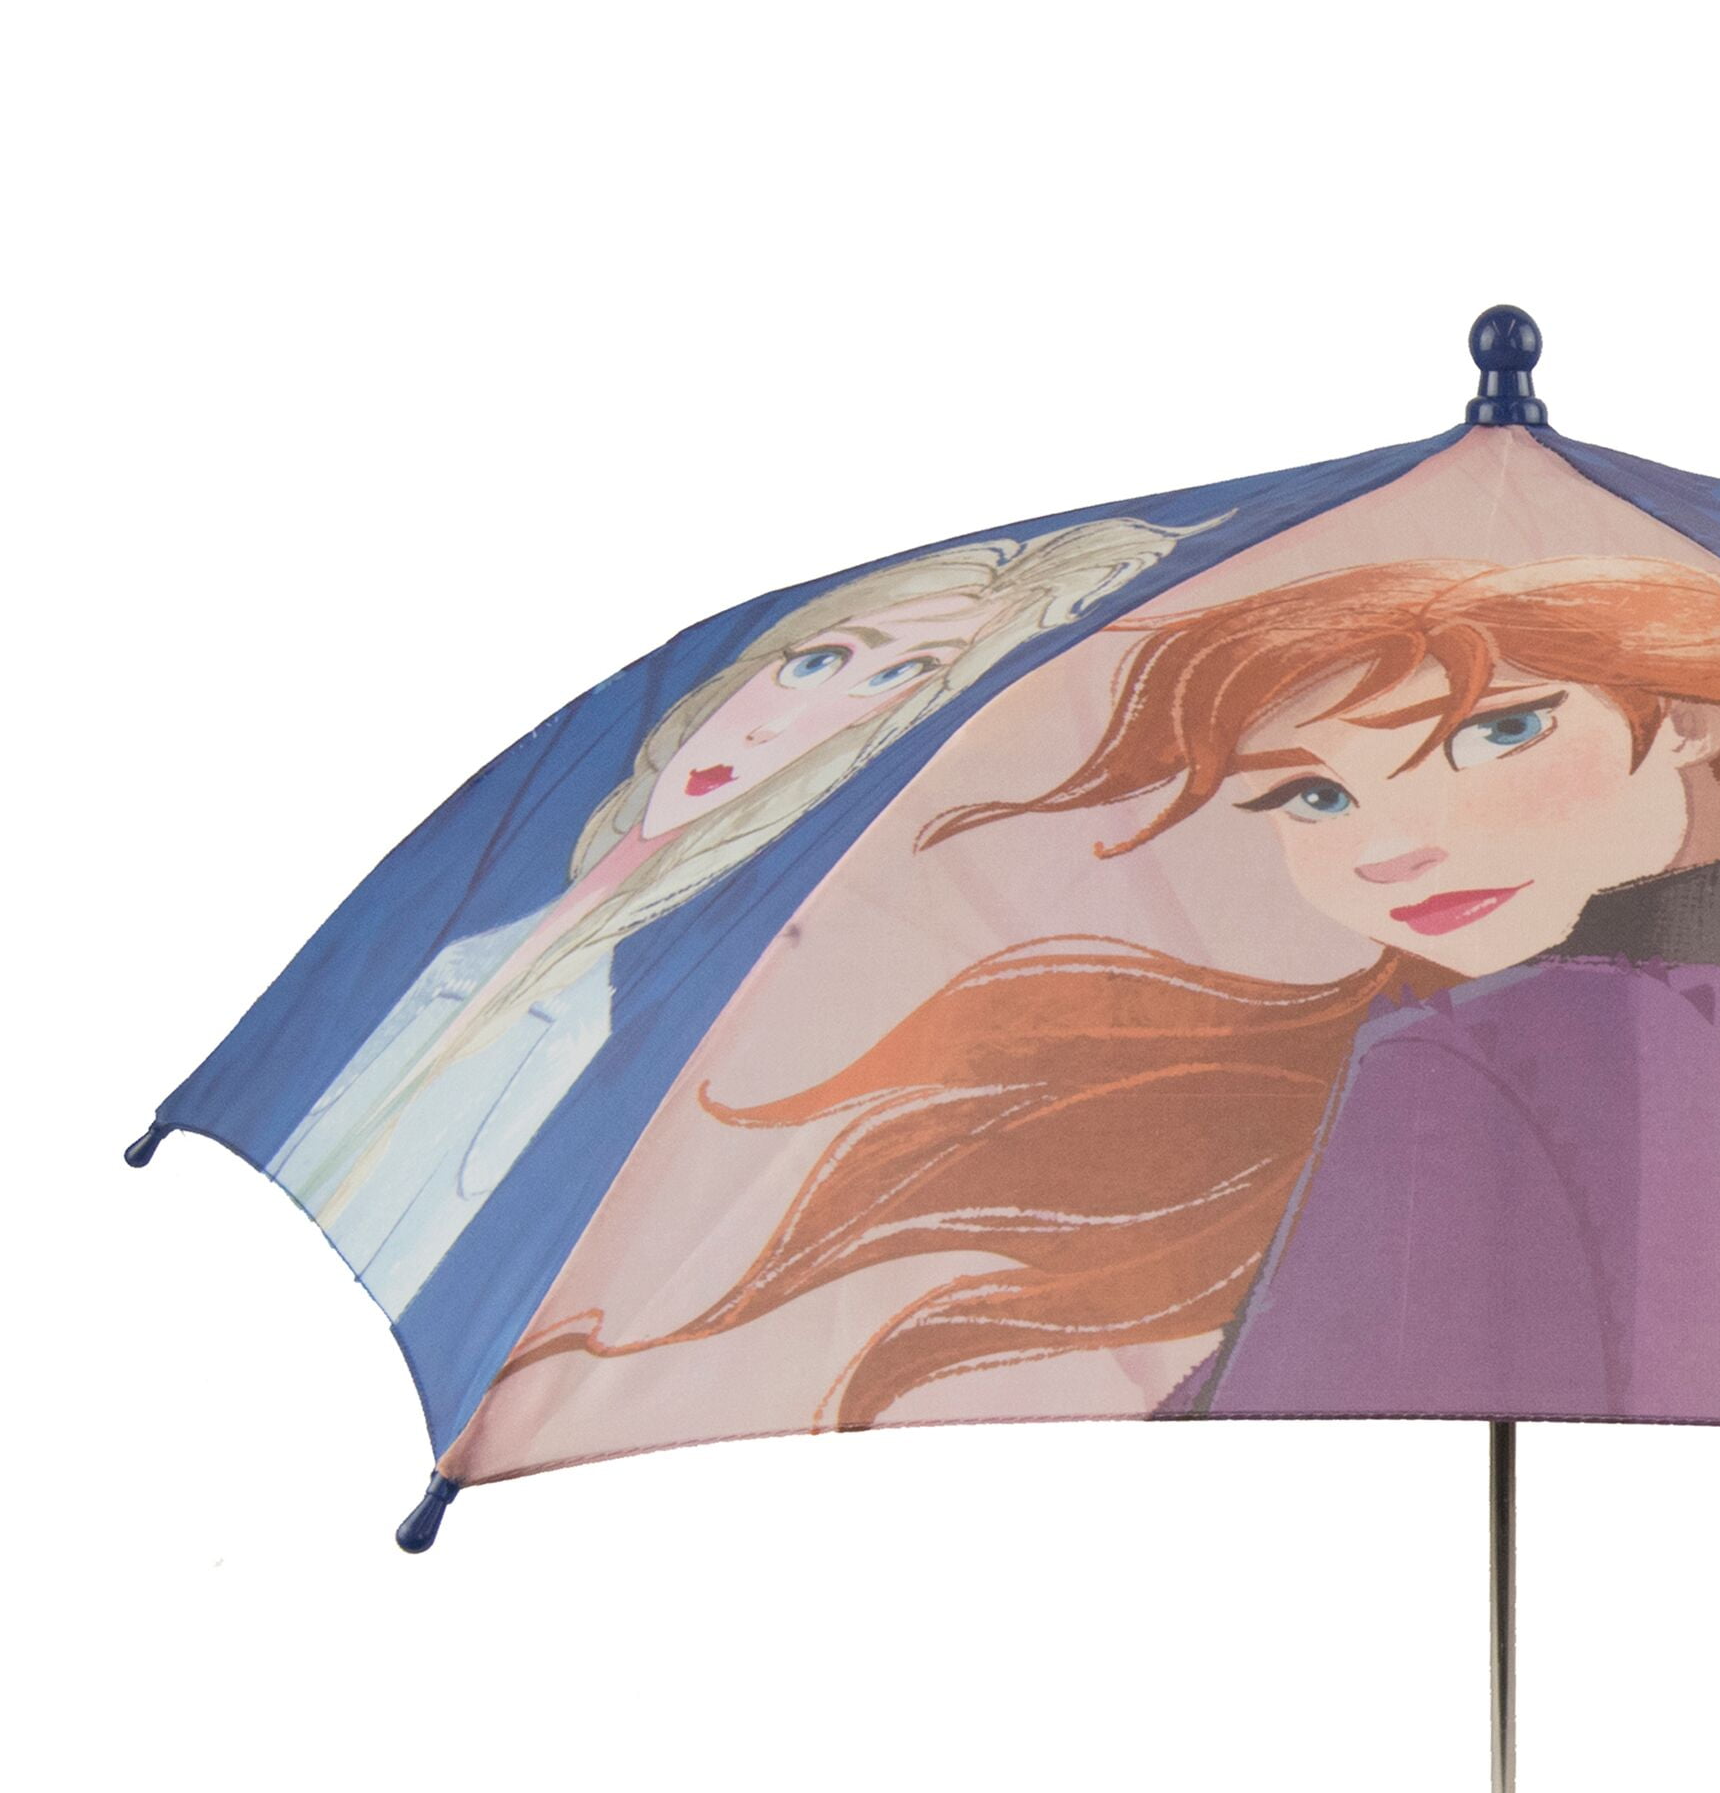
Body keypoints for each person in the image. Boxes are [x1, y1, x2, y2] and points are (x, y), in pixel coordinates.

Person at [500, 557, 1720, 1439]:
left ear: (1688, 720)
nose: (1396, 842)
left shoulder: (1494, 1054)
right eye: (1311, 796)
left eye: (1497, 733)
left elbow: (1292, 1495)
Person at [270, 519, 1195, 1314]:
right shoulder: (474, 952)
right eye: (820, 661)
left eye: (897, 682)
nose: (774, 728)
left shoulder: (596, 1040)